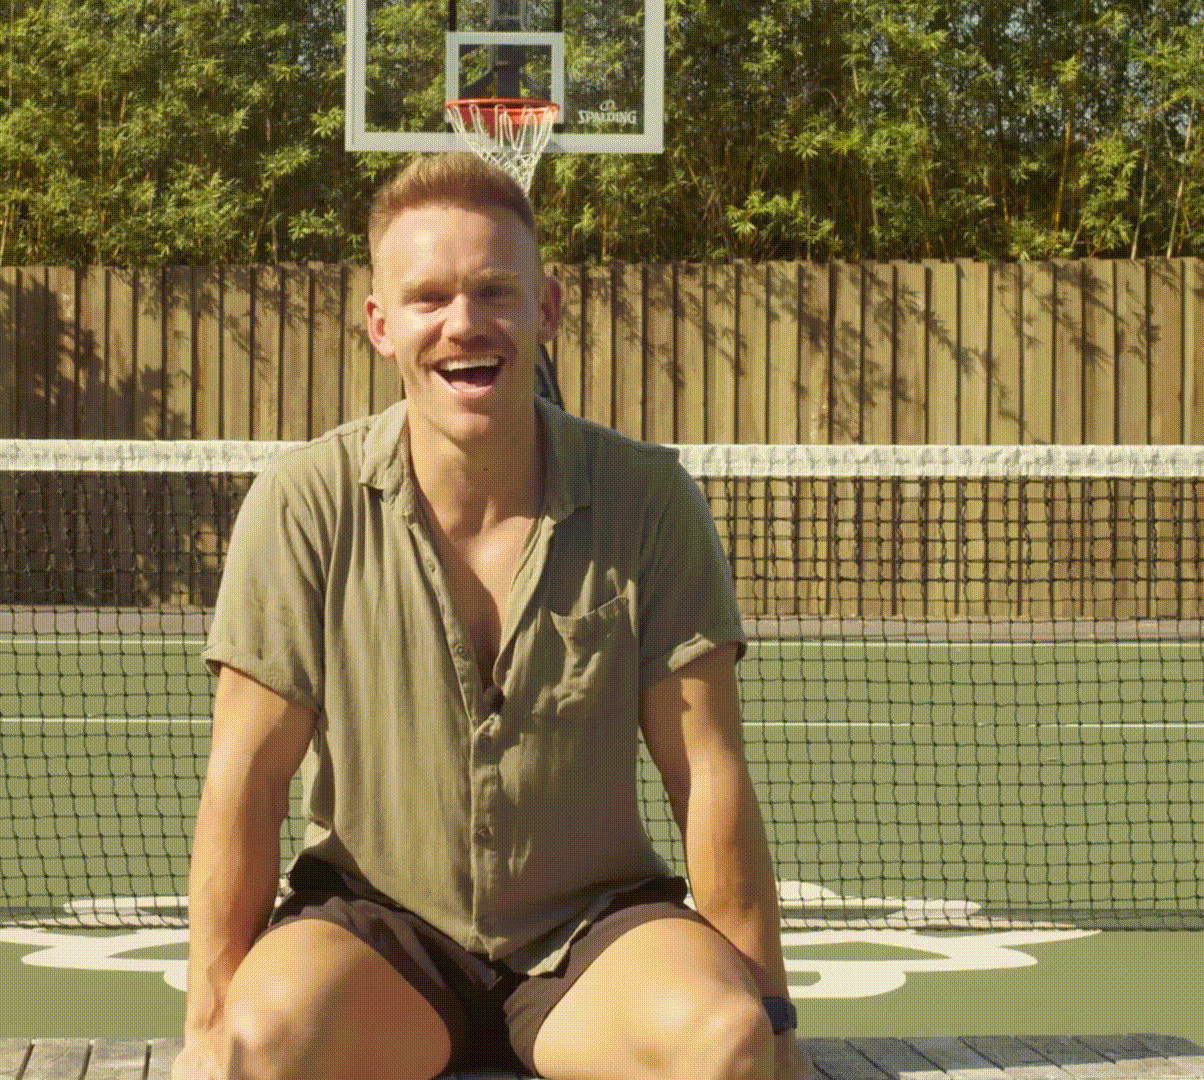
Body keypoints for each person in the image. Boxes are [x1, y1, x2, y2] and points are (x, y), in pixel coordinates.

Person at [174, 153, 817, 1080]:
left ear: (546, 308)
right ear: (380, 325)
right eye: (428, 297)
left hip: (594, 934)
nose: (463, 323)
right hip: (375, 937)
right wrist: (209, 1018)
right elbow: (245, 776)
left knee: (723, 1045)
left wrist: (775, 1023)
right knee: (250, 1051)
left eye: (494, 292)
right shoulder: (301, 503)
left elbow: (707, 772)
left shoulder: (649, 500)